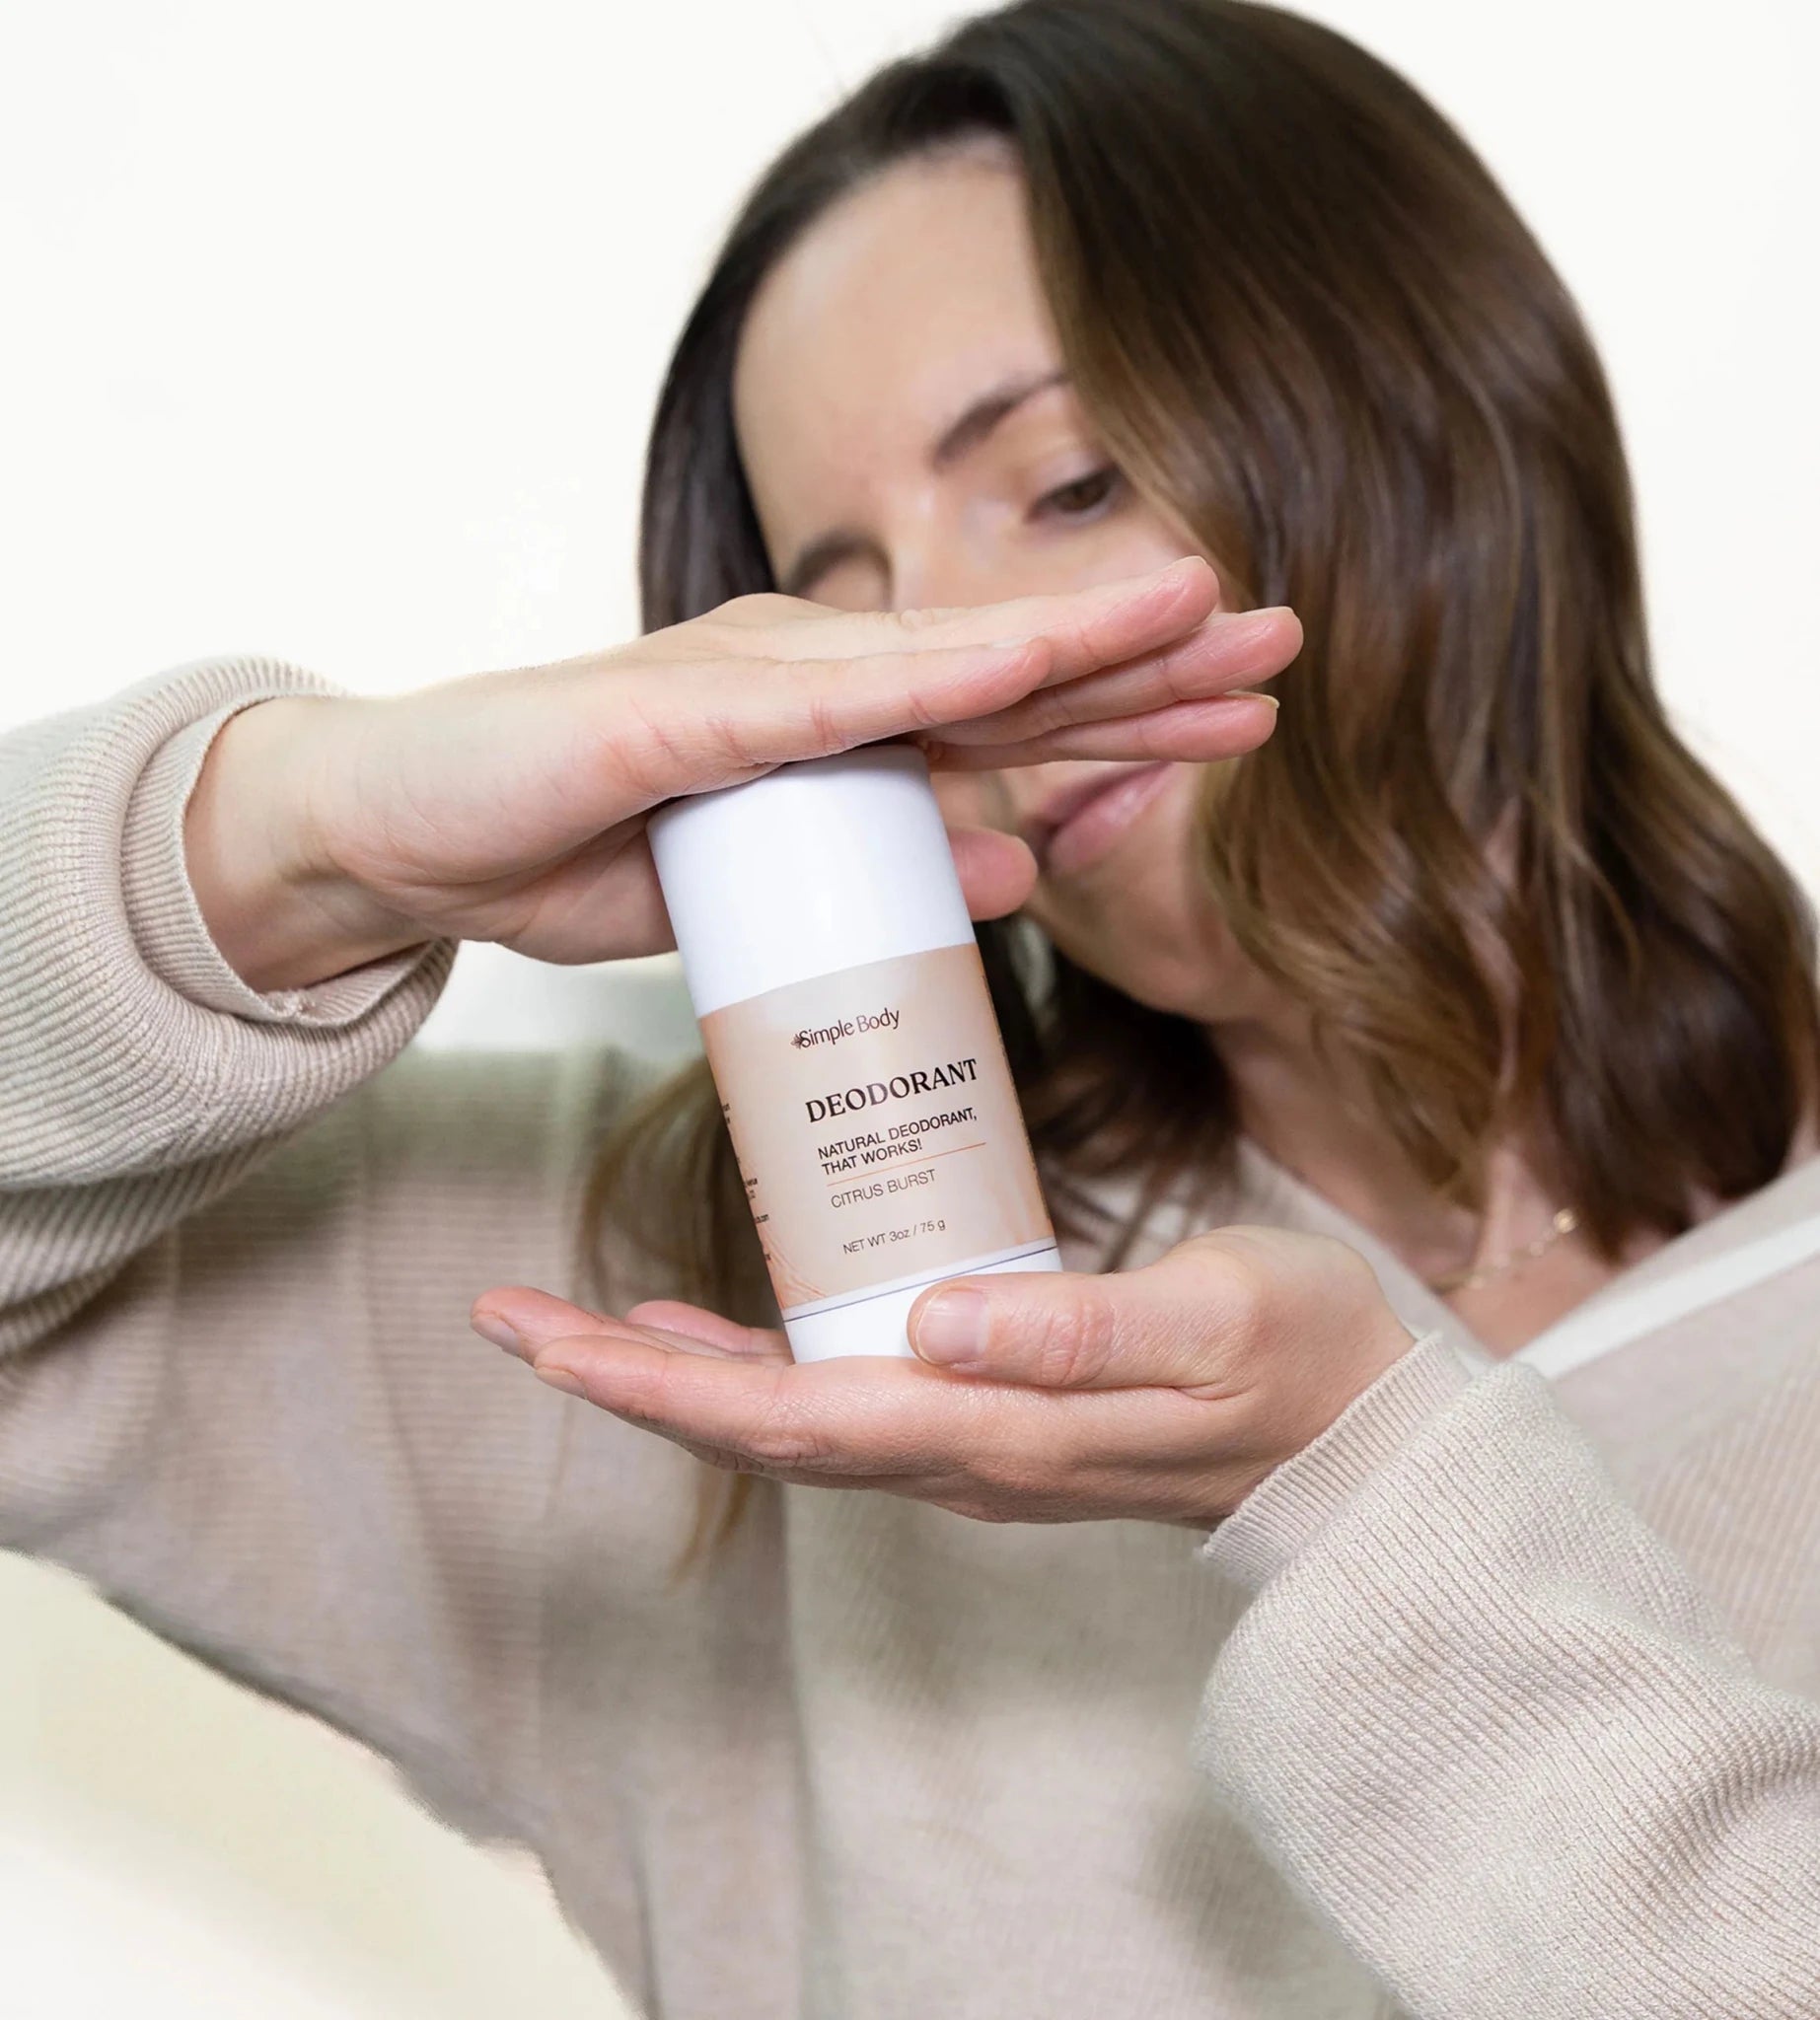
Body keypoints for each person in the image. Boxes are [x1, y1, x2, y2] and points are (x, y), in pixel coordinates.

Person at [3, 0, 1816, 2013]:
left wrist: (1352, 1482)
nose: (948, 667)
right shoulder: (720, 1286)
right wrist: (303, 836)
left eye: (1066, 482)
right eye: (840, 601)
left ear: (1450, 419)